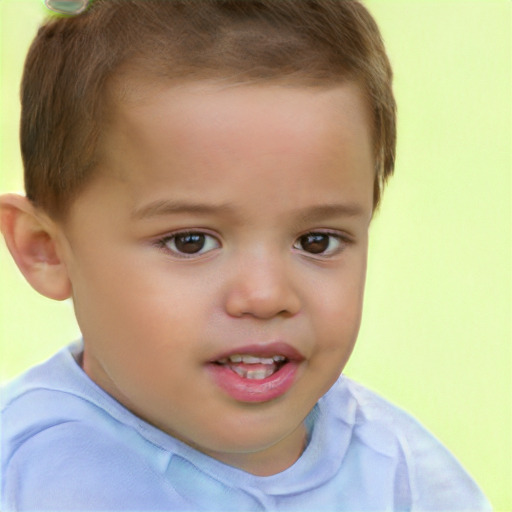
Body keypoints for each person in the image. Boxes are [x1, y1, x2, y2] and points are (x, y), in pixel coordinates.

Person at [0, 1, 492, 510]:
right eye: (190, 241)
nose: (266, 296)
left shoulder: (404, 476)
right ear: (46, 250)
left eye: (316, 241)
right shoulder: (24, 470)